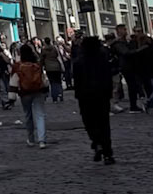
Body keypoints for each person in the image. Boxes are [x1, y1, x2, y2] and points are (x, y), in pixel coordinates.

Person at [70, 33, 116, 164]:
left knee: (89, 122)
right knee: (104, 123)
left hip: (86, 97)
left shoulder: (79, 62)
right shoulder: (103, 60)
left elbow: (77, 81)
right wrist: (109, 93)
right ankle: (107, 153)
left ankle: (96, 142)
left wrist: (78, 95)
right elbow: (108, 77)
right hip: (101, 95)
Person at [10, 43, 48, 148]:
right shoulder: (36, 64)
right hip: (38, 91)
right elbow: (43, 79)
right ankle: (42, 140)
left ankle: (31, 139)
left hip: (25, 93)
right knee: (40, 115)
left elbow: (13, 81)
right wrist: (46, 90)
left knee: (28, 115)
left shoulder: (17, 66)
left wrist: (11, 96)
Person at [40, 35, 64, 104]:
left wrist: (41, 67)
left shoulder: (43, 50)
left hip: (49, 68)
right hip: (57, 67)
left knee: (52, 83)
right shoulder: (55, 48)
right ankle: (60, 94)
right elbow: (58, 56)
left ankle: (54, 98)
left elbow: (41, 59)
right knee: (59, 82)